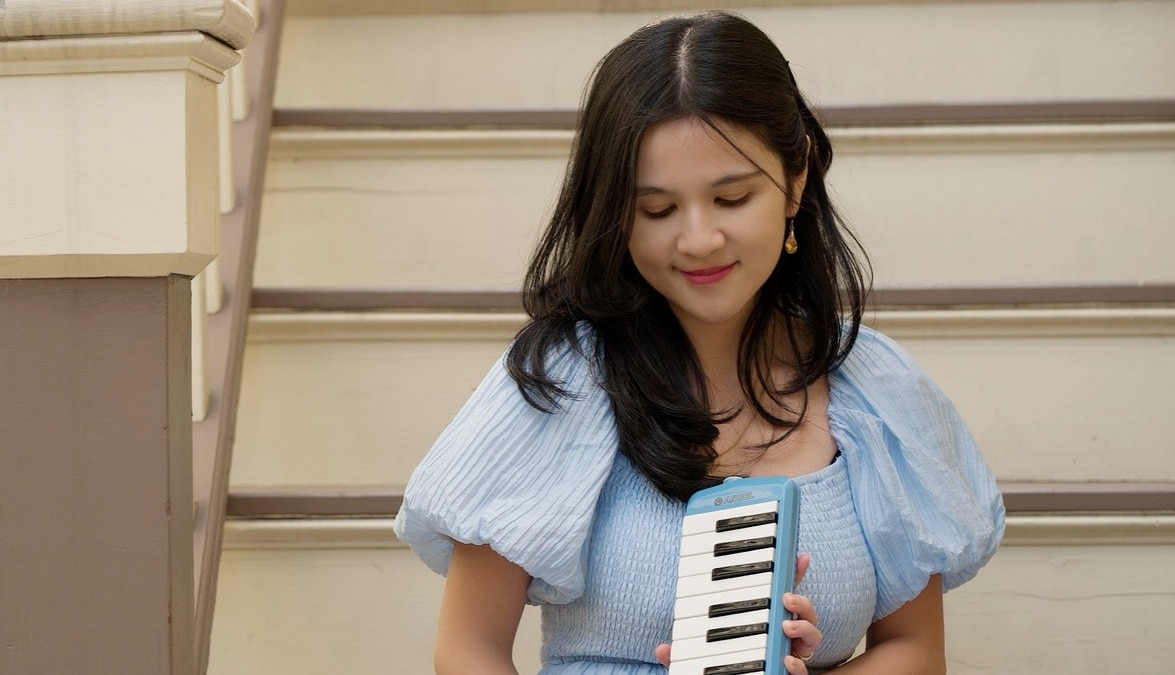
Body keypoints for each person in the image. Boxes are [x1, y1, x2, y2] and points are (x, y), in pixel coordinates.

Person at [395, 10, 1005, 675]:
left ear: (796, 176)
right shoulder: (562, 383)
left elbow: (914, 651)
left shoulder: (877, 391)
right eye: (656, 209)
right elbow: (467, 648)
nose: (698, 240)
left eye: (732, 198)